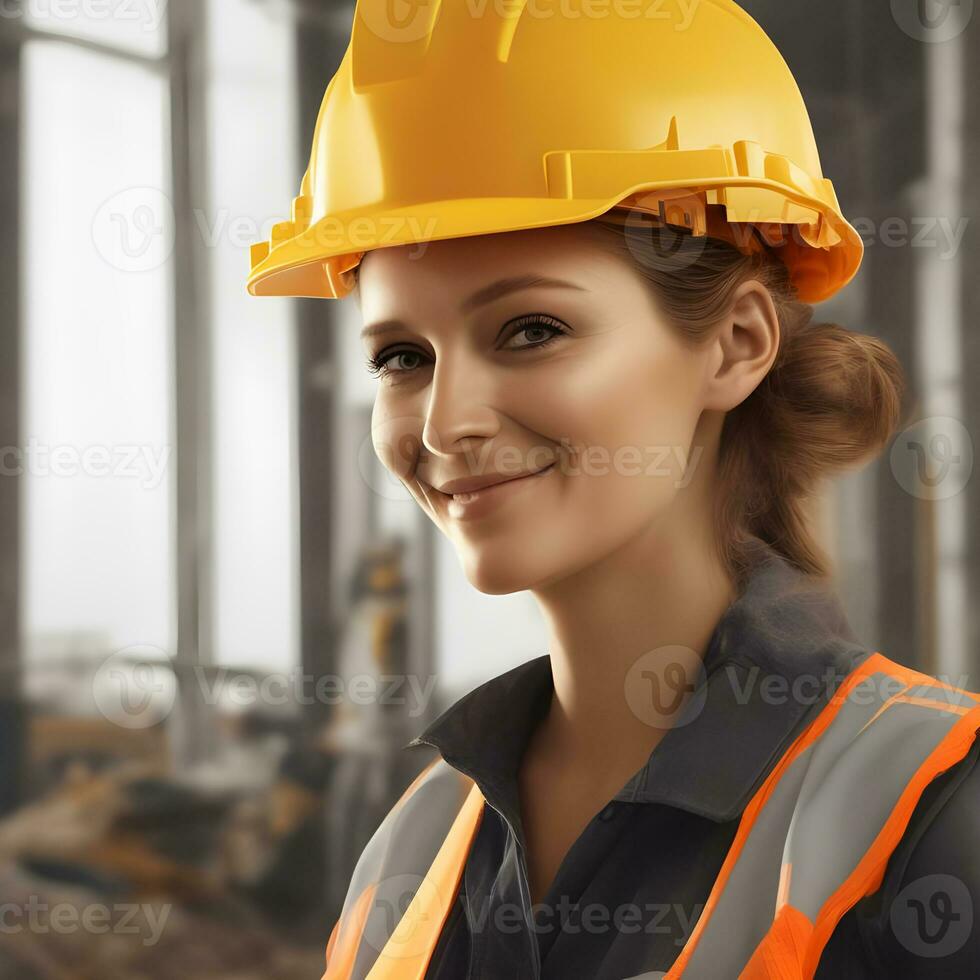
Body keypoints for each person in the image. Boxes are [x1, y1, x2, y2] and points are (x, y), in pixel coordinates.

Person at [246, 1, 980, 977]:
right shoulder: (414, 849)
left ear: (736, 344)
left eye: (529, 329)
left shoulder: (927, 808)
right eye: (401, 355)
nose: (441, 421)